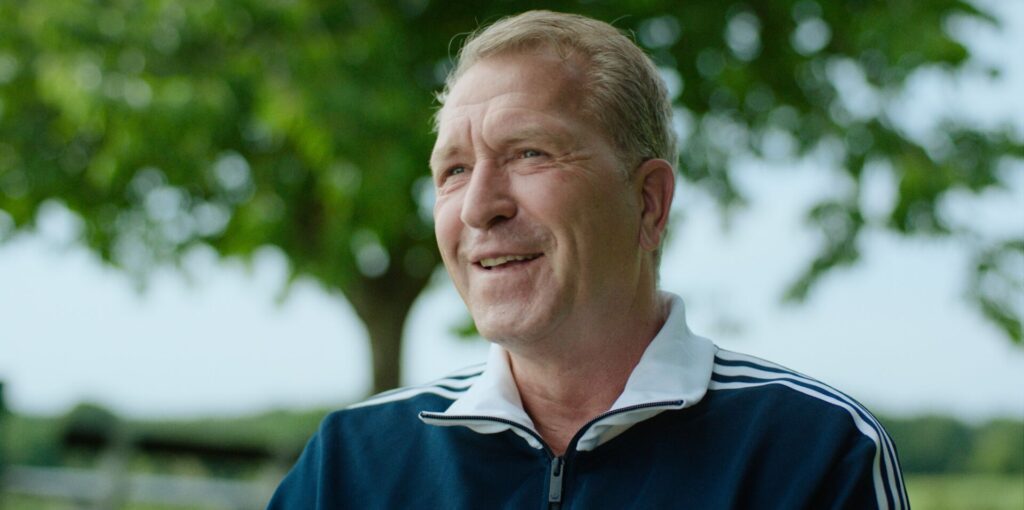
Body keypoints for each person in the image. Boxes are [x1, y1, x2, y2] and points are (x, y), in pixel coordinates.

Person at [268, 10, 907, 509]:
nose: (478, 208)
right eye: (454, 170)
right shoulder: (350, 463)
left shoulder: (814, 453)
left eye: (530, 153)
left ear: (649, 203)